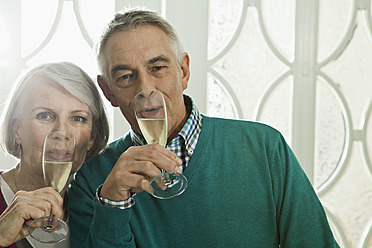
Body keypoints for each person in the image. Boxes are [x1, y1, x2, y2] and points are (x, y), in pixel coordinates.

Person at [67, 8, 340, 247]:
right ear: (108, 91)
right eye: (126, 76)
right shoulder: (92, 182)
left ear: (183, 71)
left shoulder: (265, 149)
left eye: (158, 68)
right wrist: (113, 204)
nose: (146, 89)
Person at [0, 62, 109, 248]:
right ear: (16, 129)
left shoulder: (96, 210)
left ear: (92, 137)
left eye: (78, 118)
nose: (61, 132)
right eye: (44, 116)